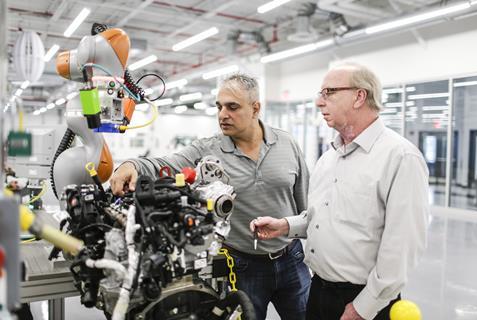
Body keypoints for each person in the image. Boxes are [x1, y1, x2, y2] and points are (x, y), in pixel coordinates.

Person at [110, 73, 311, 320]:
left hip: (291, 258)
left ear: (255, 108)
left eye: (232, 107)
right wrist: (131, 164)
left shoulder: (287, 144)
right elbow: (167, 163)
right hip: (241, 266)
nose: (222, 114)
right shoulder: (208, 148)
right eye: (219, 106)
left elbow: (305, 206)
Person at [250, 63, 429, 320]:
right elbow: (323, 217)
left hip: (366, 301)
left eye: (328, 92)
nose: (319, 102)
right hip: (319, 291)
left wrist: (364, 307)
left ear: (359, 96)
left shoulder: (400, 157)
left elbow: (402, 248)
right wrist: (286, 226)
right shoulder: (329, 158)